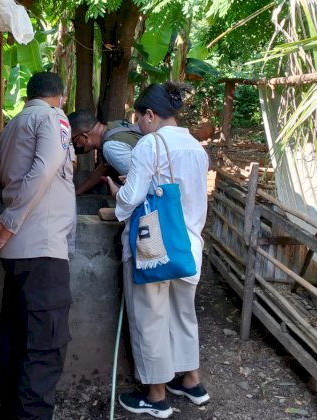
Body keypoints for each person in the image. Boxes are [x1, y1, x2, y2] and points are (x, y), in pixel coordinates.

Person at [106, 82, 210, 419]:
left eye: (140, 119)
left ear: (150, 114)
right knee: (183, 314)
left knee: (150, 317)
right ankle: (192, 382)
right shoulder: (197, 147)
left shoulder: (150, 144)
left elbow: (132, 198)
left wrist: (117, 194)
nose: (139, 127)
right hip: (189, 246)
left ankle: (156, 396)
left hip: (153, 247)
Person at [0, 72, 76, 419]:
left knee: (16, 336)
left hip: (20, 252)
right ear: (60, 97)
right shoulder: (52, 117)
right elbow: (46, 166)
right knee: (45, 344)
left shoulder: (14, 124)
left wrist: (11, 222)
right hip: (42, 248)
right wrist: (10, 222)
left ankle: (11, 411)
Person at [68, 110, 142, 195]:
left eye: (73, 140)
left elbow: (140, 183)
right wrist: (77, 192)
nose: (73, 145)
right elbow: (103, 168)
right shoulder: (114, 127)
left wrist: (118, 192)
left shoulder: (111, 148)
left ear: (85, 137)